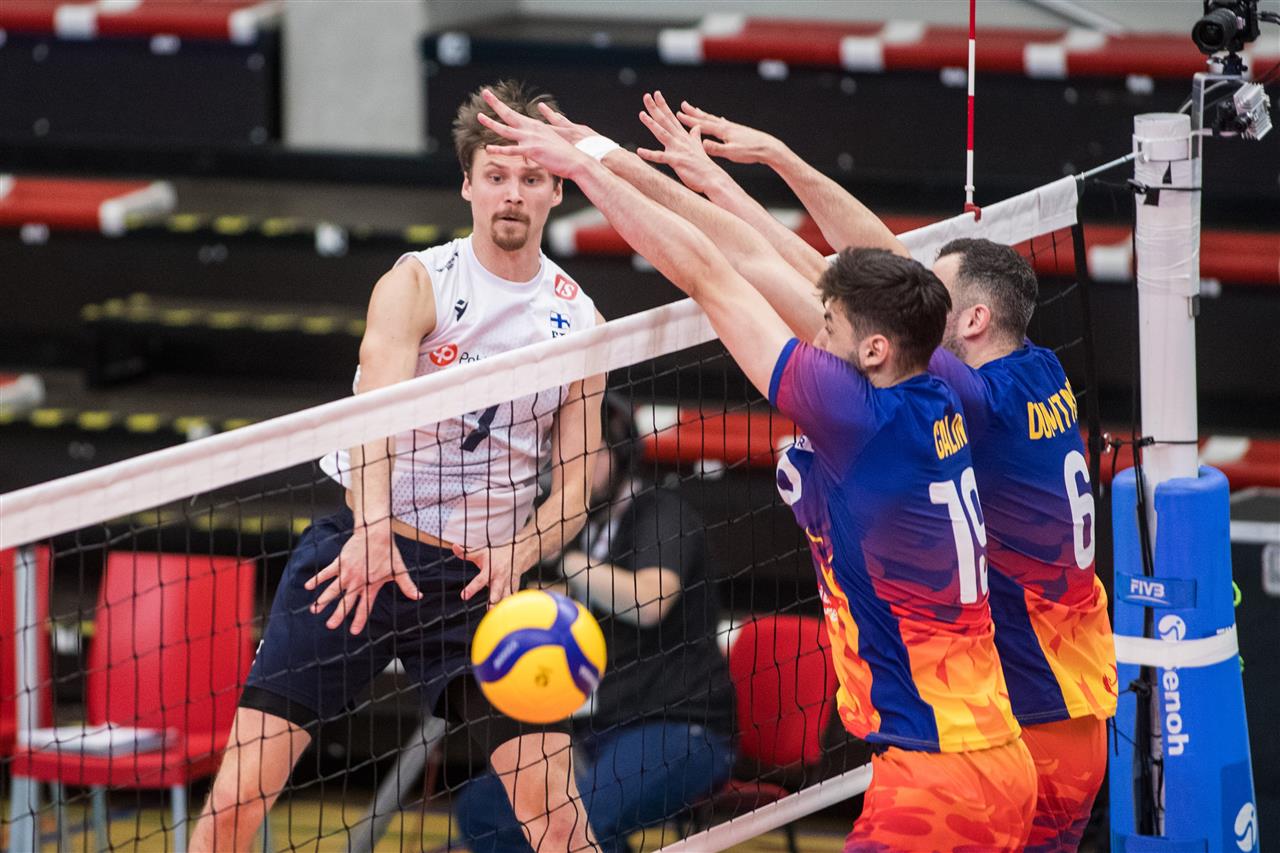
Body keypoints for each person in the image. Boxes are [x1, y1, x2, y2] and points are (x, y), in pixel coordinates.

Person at [477, 89, 1036, 852]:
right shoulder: (945, 383)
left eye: (828, 328)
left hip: (935, 777)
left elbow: (711, 275)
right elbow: (759, 259)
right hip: (995, 753)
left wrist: (588, 171)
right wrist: (612, 155)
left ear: (872, 349)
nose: (814, 333)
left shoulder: (853, 413)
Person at [639, 96, 1117, 852]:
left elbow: (820, 284)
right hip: (1074, 713)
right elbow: (861, 277)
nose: (917, 299)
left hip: (1015, 722)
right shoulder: (1039, 370)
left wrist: (669, 180)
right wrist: (771, 166)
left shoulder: (971, 402)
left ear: (970, 322)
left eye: (937, 295)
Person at [190, 80, 606, 853]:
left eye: (530, 177)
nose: (512, 194)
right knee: (237, 799)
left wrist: (521, 550)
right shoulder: (418, 282)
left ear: (557, 189)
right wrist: (374, 528)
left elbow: (578, 483)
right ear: (468, 184)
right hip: (363, 555)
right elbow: (372, 412)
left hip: (479, 583)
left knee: (557, 816)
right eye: (495, 175)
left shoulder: (581, 321)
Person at [453, 397, 737, 852]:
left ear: (620, 452)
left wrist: (562, 558)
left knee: (580, 819)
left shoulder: (661, 512)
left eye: (584, 450)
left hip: (678, 726)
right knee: (482, 810)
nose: (566, 467)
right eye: (558, 454)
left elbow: (650, 600)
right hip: (596, 728)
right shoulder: (574, 527)